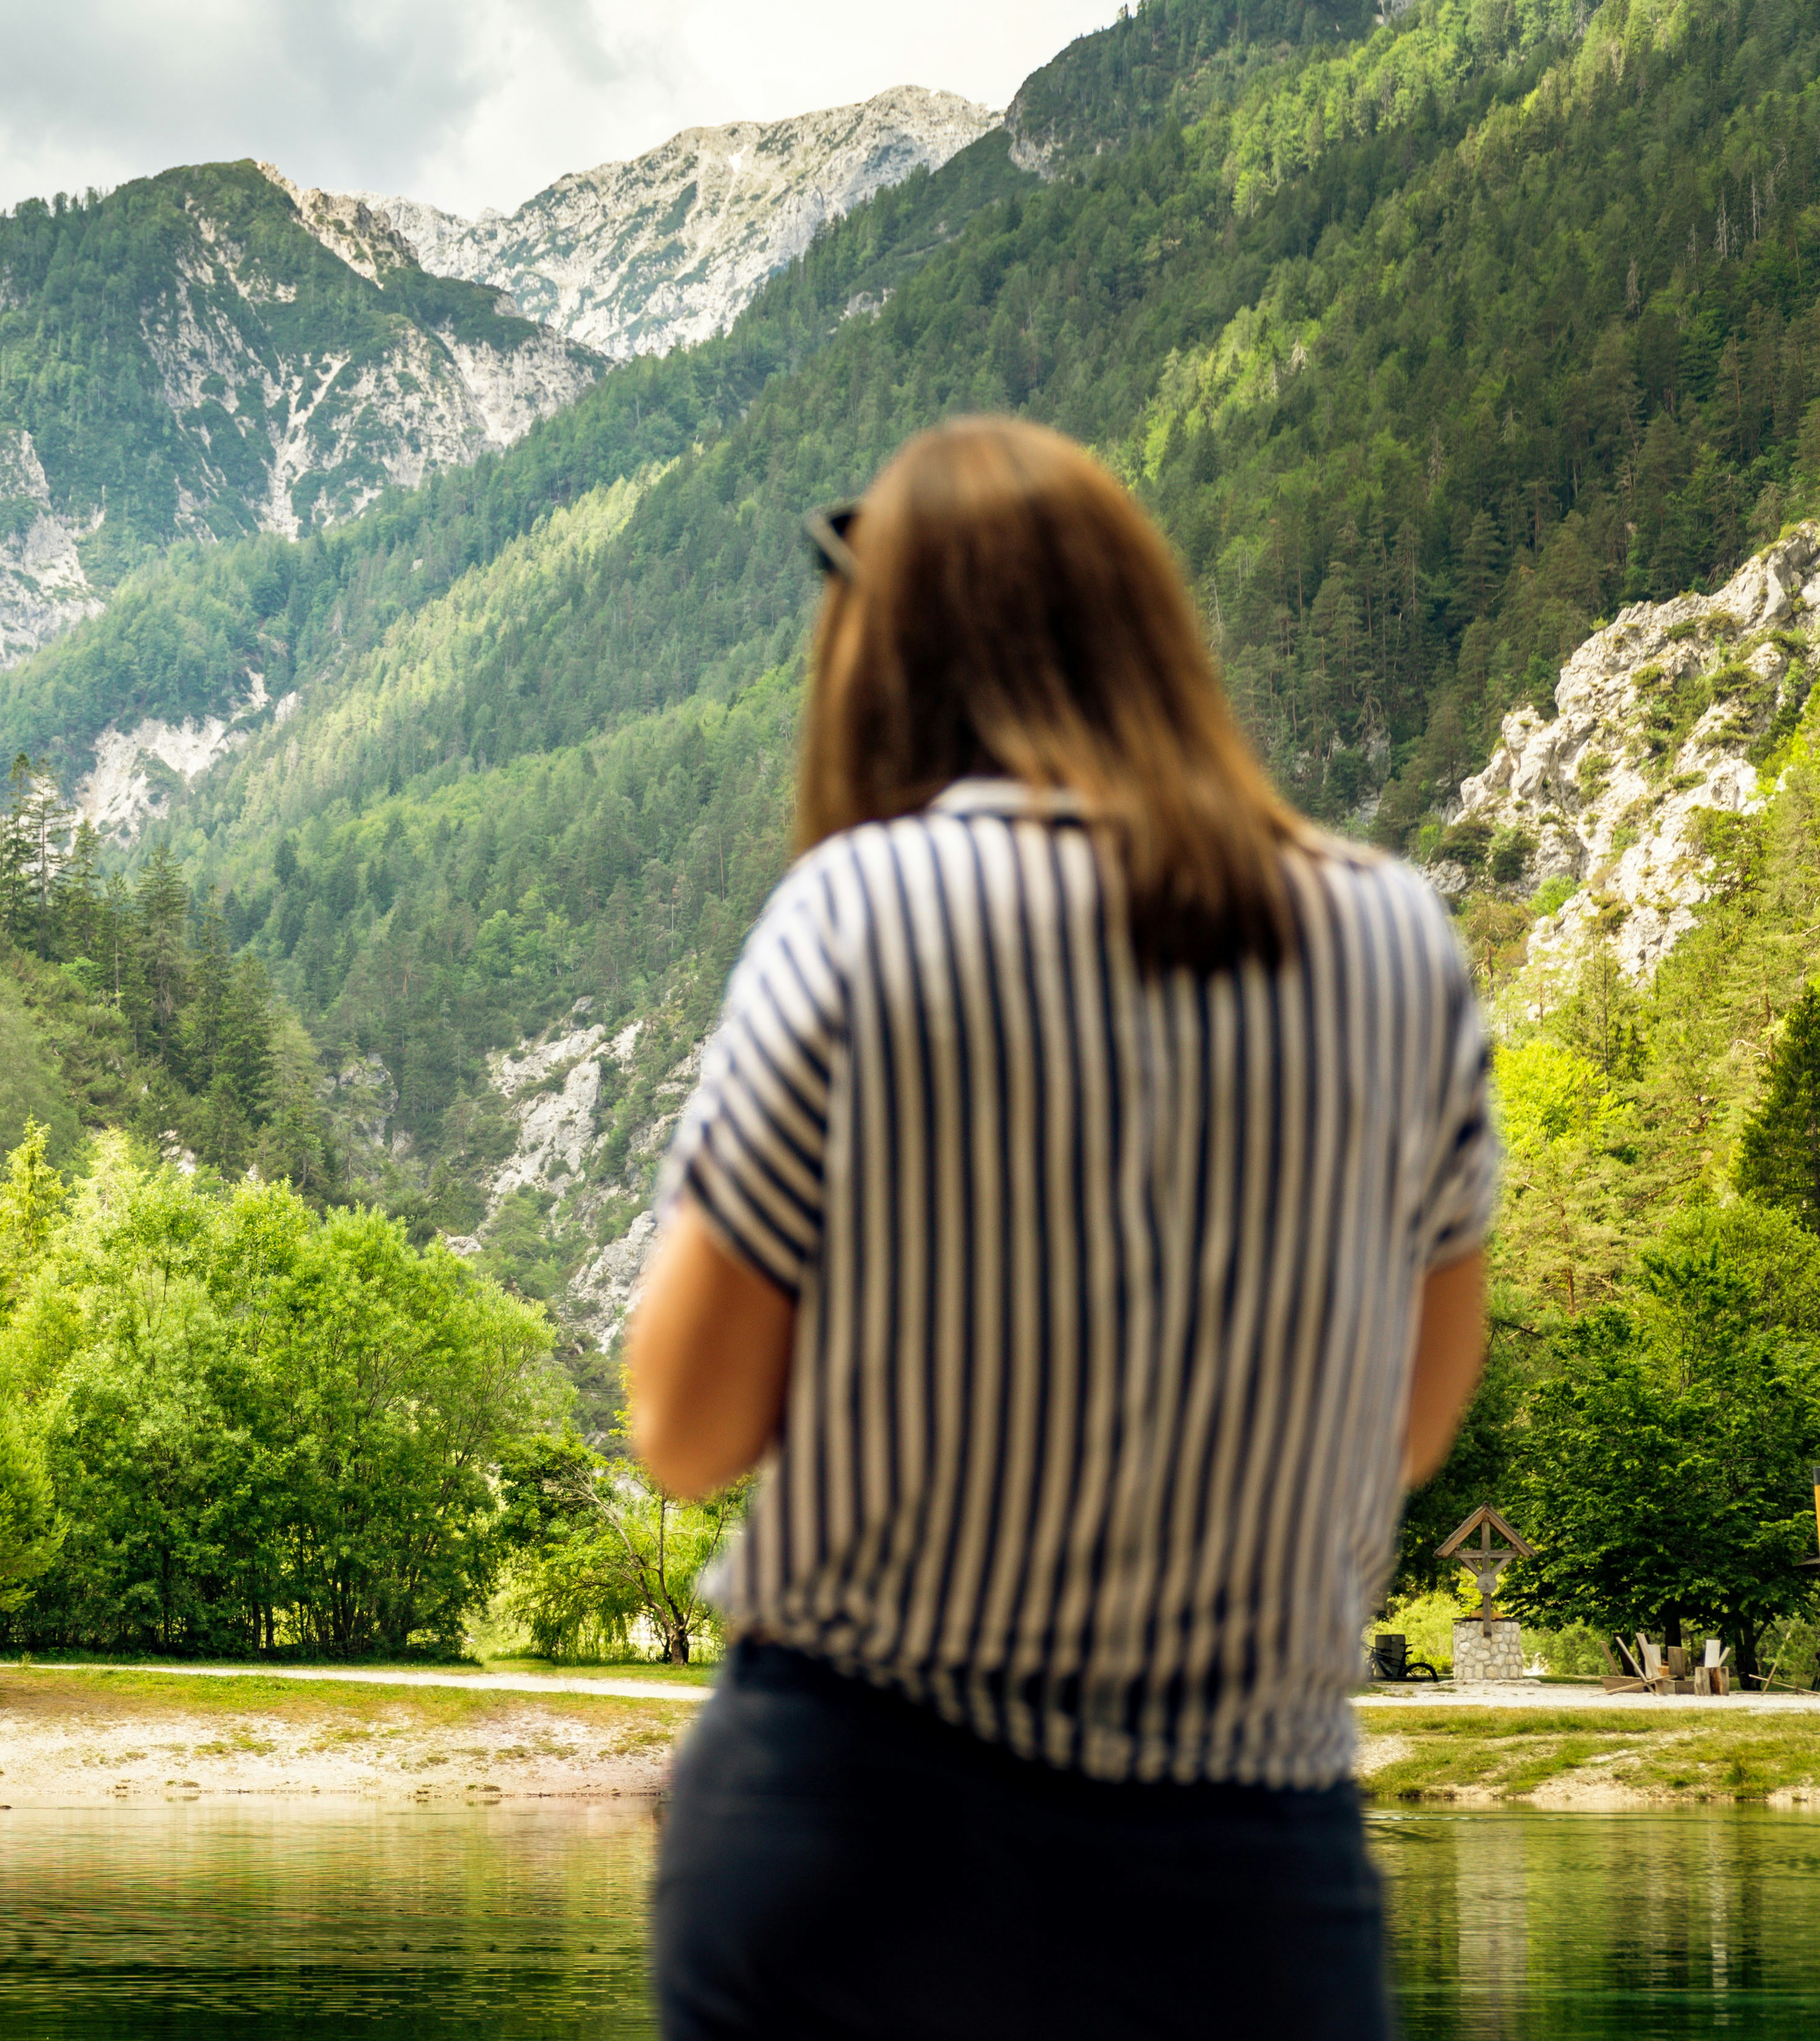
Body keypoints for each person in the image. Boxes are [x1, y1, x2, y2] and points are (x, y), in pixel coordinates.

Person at [628, 416, 1497, 2041]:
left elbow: (685, 1427)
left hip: (859, 1853)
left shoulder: (861, 910)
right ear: (1150, 639)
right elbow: (1412, 1418)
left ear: (882, 668)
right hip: (1250, 1871)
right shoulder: (1396, 940)